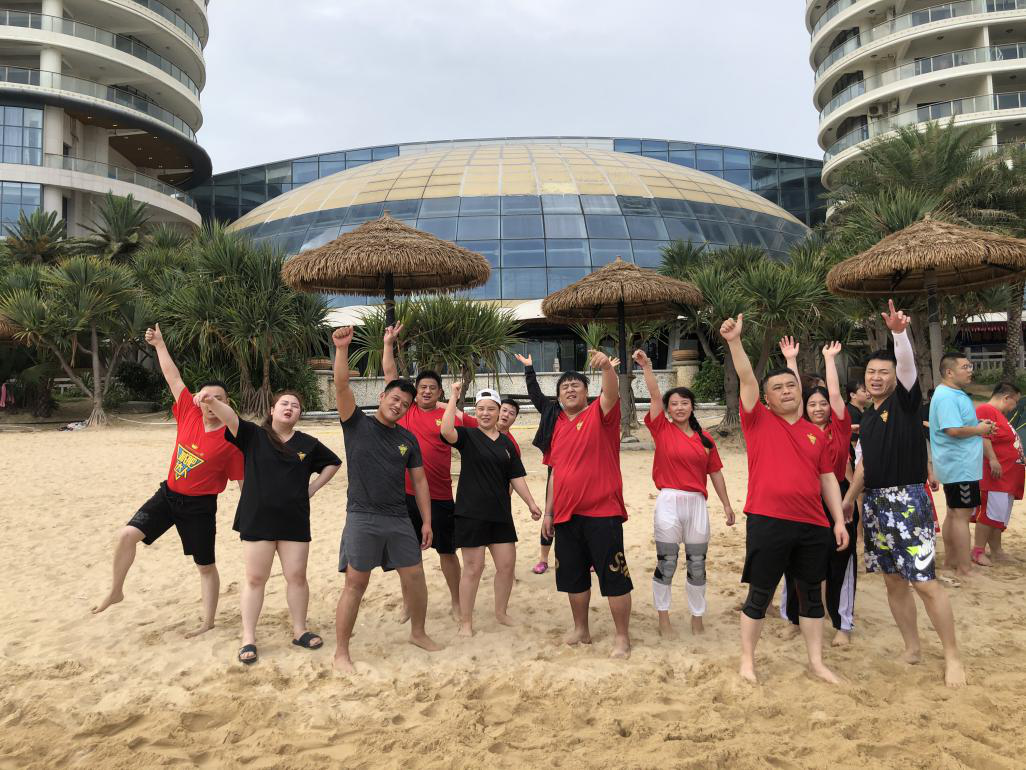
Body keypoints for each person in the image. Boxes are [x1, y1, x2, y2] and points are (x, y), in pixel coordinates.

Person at [91, 324, 244, 639]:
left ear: (227, 403)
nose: (212, 403)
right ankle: (116, 590)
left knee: (205, 566)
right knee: (126, 535)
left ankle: (208, 621)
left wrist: (252, 516)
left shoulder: (232, 442)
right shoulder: (189, 412)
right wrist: (159, 344)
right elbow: (174, 378)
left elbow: (243, 484)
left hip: (200, 507)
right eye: (207, 398)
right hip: (168, 495)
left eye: (219, 399)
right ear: (199, 400)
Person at [841, 300, 965, 687]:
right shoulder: (867, 418)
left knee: (924, 583)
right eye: (871, 372)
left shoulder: (905, 402)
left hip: (908, 501)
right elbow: (866, 465)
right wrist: (849, 499)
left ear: (896, 376)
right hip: (875, 504)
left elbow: (908, 367)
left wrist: (899, 335)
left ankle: (952, 656)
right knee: (893, 582)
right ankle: (912, 647)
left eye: (884, 371)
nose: (876, 377)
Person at [720, 315, 847, 684]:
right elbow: (747, 378)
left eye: (792, 385)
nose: (787, 391)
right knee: (760, 594)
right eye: (778, 388)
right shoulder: (757, 420)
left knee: (811, 596)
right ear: (767, 397)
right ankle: (747, 661)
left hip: (813, 524)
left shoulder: (815, 433)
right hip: (768, 520)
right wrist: (735, 342)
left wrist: (839, 520)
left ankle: (816, 662)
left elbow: (827, 478)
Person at [201, 389, 341, 664]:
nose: (289, 408)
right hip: (258, 518)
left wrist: (312, 488)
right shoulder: (253, 435)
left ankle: (300, 630)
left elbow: (333, 463)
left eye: (295, 406)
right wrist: (212, 401)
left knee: (297, 576)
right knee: (255, 579)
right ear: (272, 410)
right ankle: (248, 638)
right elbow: (230, 418)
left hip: (294, 519)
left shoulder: (308, 444)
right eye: (284, 404)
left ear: (299, 414)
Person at [332, 326, 442, 673]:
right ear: (382, 396)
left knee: (415, 577)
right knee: (356, 583)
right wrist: (342, 349)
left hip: (397, 518)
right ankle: (341, 652)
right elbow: (341, 385)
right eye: (395, 399)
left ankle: (418, 633)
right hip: (362, 515)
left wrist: (426, 521)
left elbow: (420, 482)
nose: (399, 405)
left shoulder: (408, 440)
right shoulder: (355, 423)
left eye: (405, 404)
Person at [633, 349, 735, 639]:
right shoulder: (662, 429)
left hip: (697, 504)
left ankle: (697, 616)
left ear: (692, 407)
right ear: (668, 409)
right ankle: (663, 618)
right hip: (669, 501)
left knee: (697, 565)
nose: (679, 408)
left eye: (684, 403)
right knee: (667, 563)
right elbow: (654, 396)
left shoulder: (706, 439)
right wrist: (647, 367)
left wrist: (727, 505)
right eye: (674, 404)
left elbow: (716, 473)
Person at [544, 349, 632, 658]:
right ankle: (581, 629)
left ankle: (622, 637)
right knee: (573, 576)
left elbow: (611, 393)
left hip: (602, 512)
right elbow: (555, 472)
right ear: (558, 396)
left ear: (586, 392)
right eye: (564, 386)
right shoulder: (557, 427)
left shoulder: (599, 413)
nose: (570, 389)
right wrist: (549, 512)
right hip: (566, 515)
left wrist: (607, 367)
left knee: (614, 576)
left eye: (576, 385)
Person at [382, 323, 473, 619]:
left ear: (439, 392)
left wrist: (452, 404)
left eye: (433, 388)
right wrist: (388, 344)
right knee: (408, 556)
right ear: (416, 391)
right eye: (422, 387)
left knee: (447, 553)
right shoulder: (405, 411)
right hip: (405, 496)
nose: (427, 391)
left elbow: (483, 427)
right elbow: (390, 376)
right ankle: (409, 603)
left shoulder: (448, 414)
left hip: (440, 495)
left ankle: (457, 602)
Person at [440, 384, 543, 635]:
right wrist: (453, 397)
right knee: (473, 569)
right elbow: (446, 430)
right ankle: (466, 622)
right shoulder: (467, 436)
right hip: (471, 514)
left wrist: (531, 503)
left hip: (500, 515)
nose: (485, 413)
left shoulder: (507, 444)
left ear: (499, 412)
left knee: (506, 566)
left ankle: (501, 613)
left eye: (491, 409)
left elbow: (516, 476)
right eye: (480, 409)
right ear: (475, 412)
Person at [778, 338, 857, 646]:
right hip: (805, 498)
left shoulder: (839, 428)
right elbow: (795, 398)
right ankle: (793, 619)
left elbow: (835, 394)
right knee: (795, 562)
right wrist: (791, 361)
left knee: (840, 564)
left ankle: (842, 624)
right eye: (812, 404)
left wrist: (829, 360)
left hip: (837, 495)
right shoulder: (799, 429)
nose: (818, 408)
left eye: (822, 404)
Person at [929, 352, 996, 579]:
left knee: (954, 512)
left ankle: (951, 561)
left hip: (958, 464)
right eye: (965, 367)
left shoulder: (951, 393)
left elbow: (958, 425)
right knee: (961, 515)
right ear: (949, 372)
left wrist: (979, 425)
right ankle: (964, 567)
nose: (970, 371)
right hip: (960, 465)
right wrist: (979, 429)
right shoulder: (947, 396)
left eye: (970, 366)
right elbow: (952, 430)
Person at [972, 382, 1025, 565]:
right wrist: (993, 459)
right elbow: (983, 437)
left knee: (998, 516)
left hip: (1007, 476)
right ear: (1006, 398)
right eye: (1014, 402)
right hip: (995, 476)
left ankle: (997, 551)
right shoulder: (986, 410)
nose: (1014, 406)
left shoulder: (999, 415)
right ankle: (978, 550)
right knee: (990, 514)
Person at [515, 352, 557, 575]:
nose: (570, 393)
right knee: (552, 511)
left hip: (582, 469)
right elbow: (535, 393)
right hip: (556, 468)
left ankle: (586, 556)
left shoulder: (585, 415)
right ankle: (543, 558)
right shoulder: (551, 409)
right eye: (564, 389)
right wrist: (529, 368)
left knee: (582, 514)